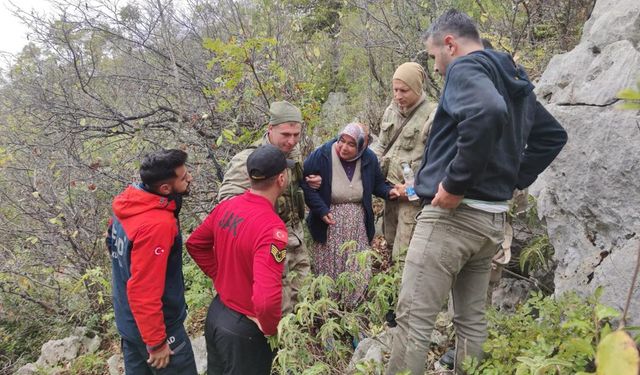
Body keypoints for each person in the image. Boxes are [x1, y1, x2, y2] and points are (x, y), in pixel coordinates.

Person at [385, 9, 567, 375]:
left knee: (413, 321)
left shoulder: (466, 69)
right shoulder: (513, 79)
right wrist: (509, 179)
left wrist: (455, 184)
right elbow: (551, 137)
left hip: (453, 217)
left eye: (435, 56)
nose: (436, 68)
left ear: (450, 44)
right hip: (491, 221)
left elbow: (486, 111)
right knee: (470, 322)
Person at [186, 145, 291, 375]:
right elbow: (266, 299)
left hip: (217, 314)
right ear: (281, 179)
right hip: (245, 329)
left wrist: (220, 274)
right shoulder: (272, 230)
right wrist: (270, 328)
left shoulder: (226, 207)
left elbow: (195, 243)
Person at [216, 101, 314, 314]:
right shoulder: (248, 160)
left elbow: (293, 187)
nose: (292, 141)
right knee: (280, 304)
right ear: (270, 129)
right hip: (270, 245)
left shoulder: (293, 154)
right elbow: (227, 204)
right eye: (286, 134)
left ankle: (303, 335)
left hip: (296, 238)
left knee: (304, 296)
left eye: (296, 134)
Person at [107, 149, 197, 374]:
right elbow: (143, 289)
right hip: (159, 329)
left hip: (129, 324)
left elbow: (111, 244)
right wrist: (157, 343)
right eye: (184, 177)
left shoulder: (129, 203)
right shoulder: (157, 225)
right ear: (165, 189)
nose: (190, 179)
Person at [301, 123, 400, 306]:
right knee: (330, 266)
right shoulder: (322, 154)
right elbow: (304, 184)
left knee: (357, 264)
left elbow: (377, 183)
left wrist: (388, 192)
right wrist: (321, 210)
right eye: (341, 141)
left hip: (357, 223)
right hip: (329, 221)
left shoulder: (368, 158)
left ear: (362, 146)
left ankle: (353, 310)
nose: (343, 147)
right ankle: (330, 310)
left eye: (351, 144)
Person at [371, 62, 437, 261]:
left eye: (404, 90)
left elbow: (437, 164)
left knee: (404, 252)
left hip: (413, 196)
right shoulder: (391, 110)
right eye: (395, 90)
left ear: (417, 87)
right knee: (390, 242)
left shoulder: (432, 115)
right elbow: (381, 145)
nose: (398, 96)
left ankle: (403, 290)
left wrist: (410, 192)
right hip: (390, 192)